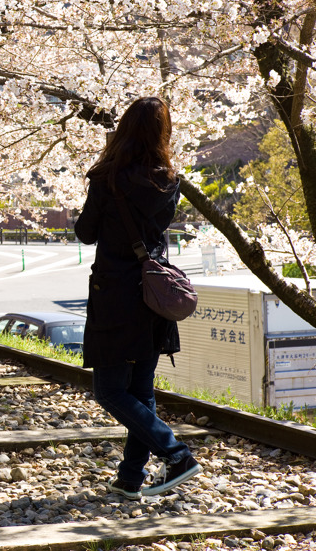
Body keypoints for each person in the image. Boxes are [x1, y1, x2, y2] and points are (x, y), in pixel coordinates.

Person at [74, 96, 201, 500]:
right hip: (152, 293)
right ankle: (131, 477)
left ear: (126, 128)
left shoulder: (107, 177)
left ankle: (177, 454)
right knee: (141, 390)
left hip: (114, 294)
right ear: (163, 133)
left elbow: (86, 233)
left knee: (110, 390)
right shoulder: (169, 180)